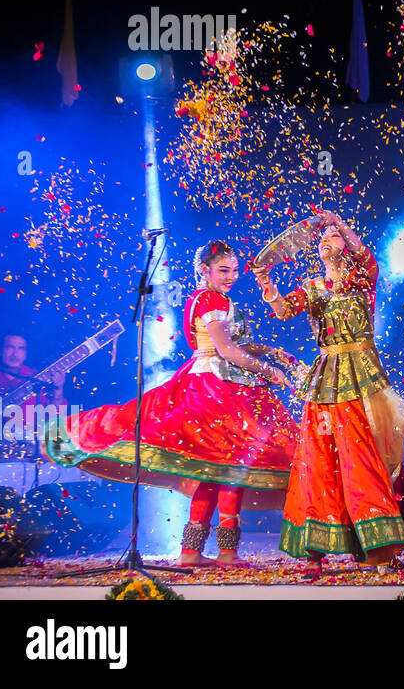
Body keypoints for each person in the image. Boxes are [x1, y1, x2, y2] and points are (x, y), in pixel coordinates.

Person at [44, 240, 300, 567]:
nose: (231, 276)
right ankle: (226, 552)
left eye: (235, 271)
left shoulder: (204, 298)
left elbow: (232, 347)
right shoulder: (211, 299)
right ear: (204, 270)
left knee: (211, 470)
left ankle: (191, 552)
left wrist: (266, 354)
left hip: (209, 383)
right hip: (217, 390)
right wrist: (270, 371)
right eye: (223, 270)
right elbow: (227, 351)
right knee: (231, 469)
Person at [253, 211, 404, 575]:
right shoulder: (313, 288)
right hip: (327, 380)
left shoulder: (362, 280)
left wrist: (340, 223)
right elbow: (281, 310)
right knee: (319, 460)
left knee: (364, 459)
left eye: (335, 237)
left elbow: (367, 257)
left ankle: (379, 549)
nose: (328, 240)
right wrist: (268, 285)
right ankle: (315, 549)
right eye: (322, 237)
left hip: (362, 379)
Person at [0, 334, 63, 457]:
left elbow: (53, 417)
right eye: (10, 347)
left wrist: (58, 389)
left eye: (21, 348)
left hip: (28, 443)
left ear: (26, 353)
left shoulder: (35, 378)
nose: (15, 354)